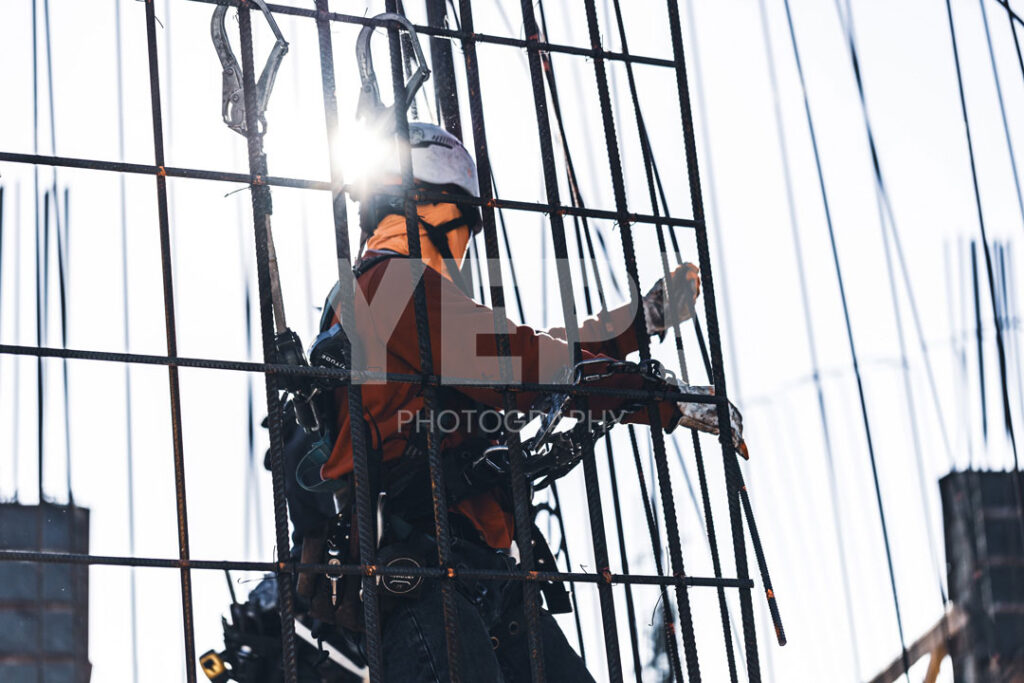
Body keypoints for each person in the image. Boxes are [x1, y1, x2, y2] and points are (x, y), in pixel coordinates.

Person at [287, 120, 747, 682]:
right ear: (428, 206)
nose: (462, 249)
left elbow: (528, 354)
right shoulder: (387, 286)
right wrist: (660, 398)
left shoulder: (398, 294)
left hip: (480, 575)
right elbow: (526, 367)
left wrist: (636, 325)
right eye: (460, 226)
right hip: (424, 583)